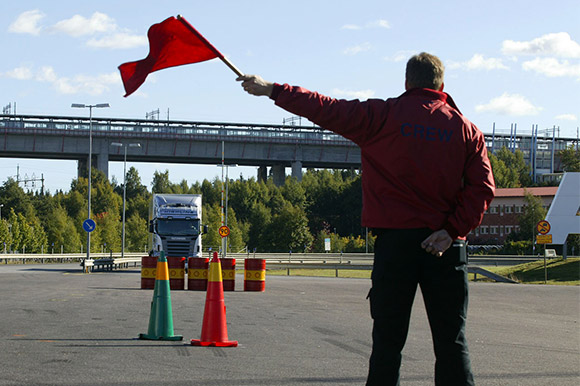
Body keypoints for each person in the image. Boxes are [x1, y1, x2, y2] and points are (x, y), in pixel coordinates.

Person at [237, 52, 495, 385]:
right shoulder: (465, 130)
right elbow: (483, 189)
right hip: (445, 248)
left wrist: (272, 89)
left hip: (395, 247)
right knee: (451, 344)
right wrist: (451, 230)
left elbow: (324, 107)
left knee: (387, 346)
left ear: (406, 83)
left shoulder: (380, 116)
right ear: (441, 85)